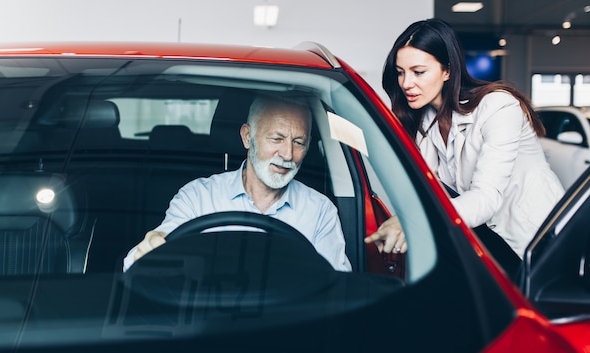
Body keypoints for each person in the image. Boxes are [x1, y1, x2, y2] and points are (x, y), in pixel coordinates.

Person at [366, 18, 564, 274]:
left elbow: (486, 196)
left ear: (447, 70)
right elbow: (431, 194)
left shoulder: (499, 107)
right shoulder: (424, 122)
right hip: (489, 243)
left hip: (535, 240)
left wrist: (412, 222)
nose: (405, 83)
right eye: (400, 72)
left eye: (418, 72)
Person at [123, 93, 351, 272]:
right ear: (246, 136)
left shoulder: (320, 211)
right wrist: (152, 247)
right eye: (276, 139)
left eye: (299, 142)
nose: (288, 154)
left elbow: (337, 291)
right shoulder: (198, 197)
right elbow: (142, 263)